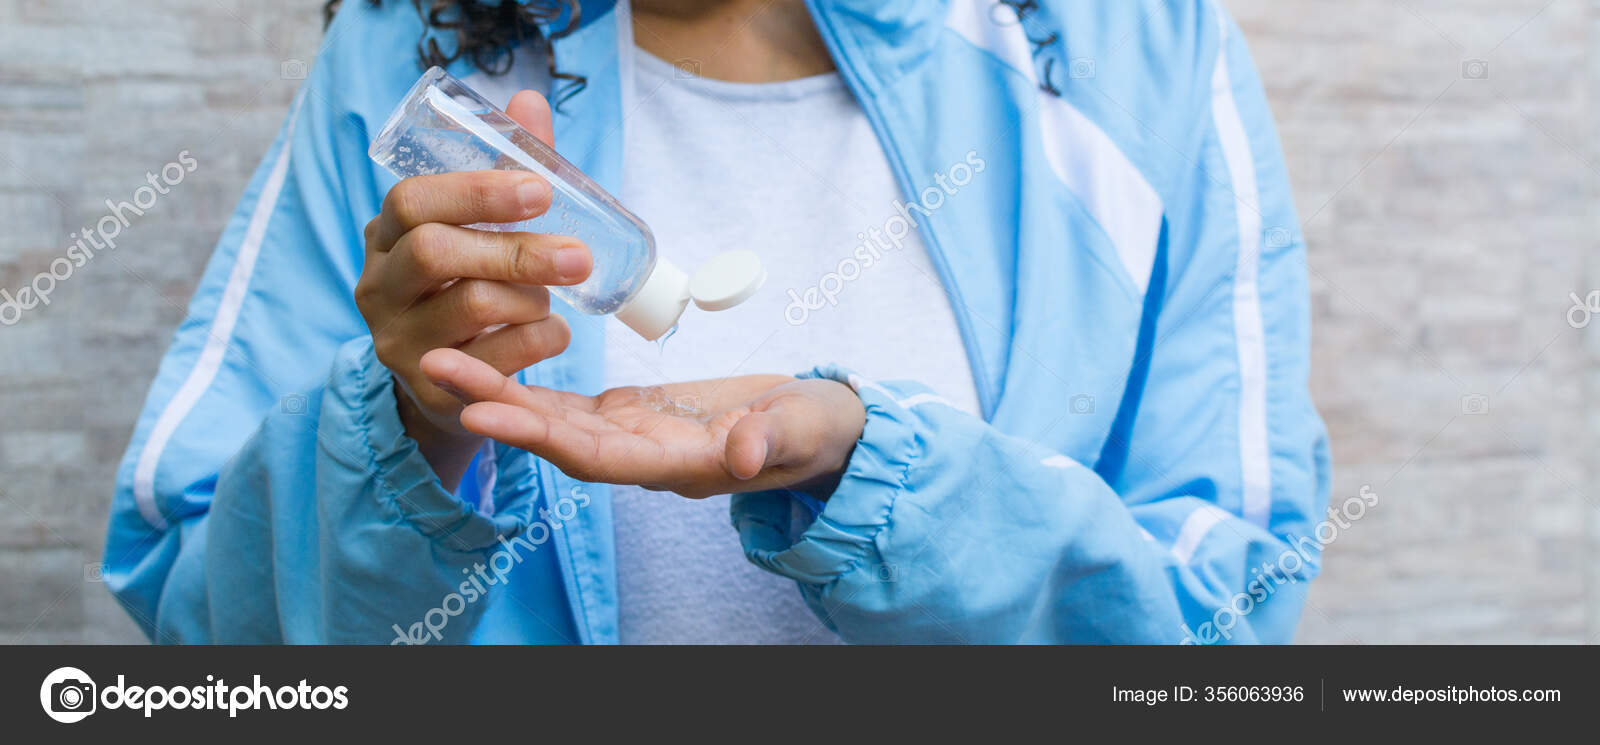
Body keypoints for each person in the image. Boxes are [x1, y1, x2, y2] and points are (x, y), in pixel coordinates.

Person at [104, 0, 1330, 644]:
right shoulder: (413, 60)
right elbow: (214, 633)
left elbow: (1227, 620)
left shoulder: (1130, 48)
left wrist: (883, 484)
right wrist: (410, 430)